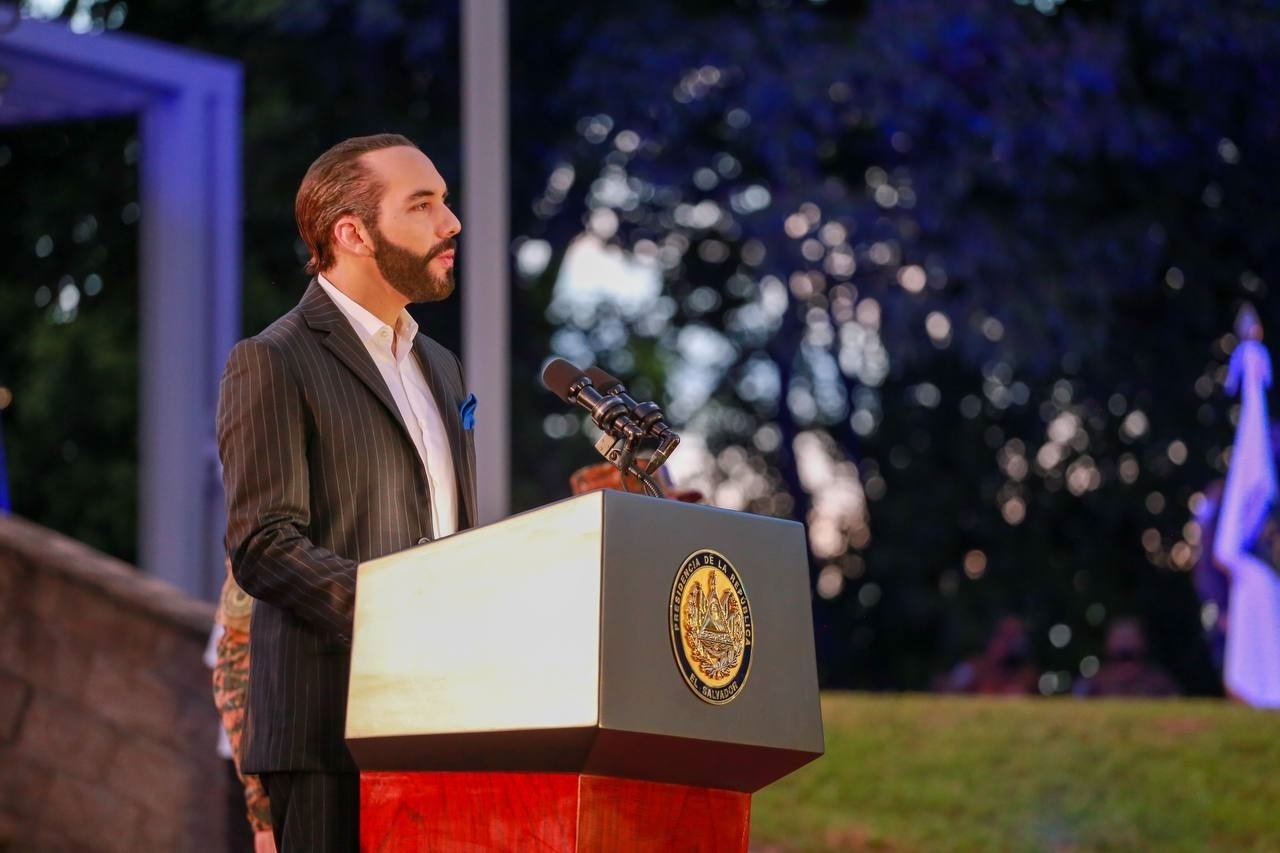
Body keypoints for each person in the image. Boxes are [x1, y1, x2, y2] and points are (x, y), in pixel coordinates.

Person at [217, 133, 477, 851]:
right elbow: (262, 544)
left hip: (450, 721)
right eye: (422, 205)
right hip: (331, 732)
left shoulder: (443, 366)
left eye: (445, 202)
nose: (450, 223)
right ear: (353, 232)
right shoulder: (272, 360)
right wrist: (398, 613)